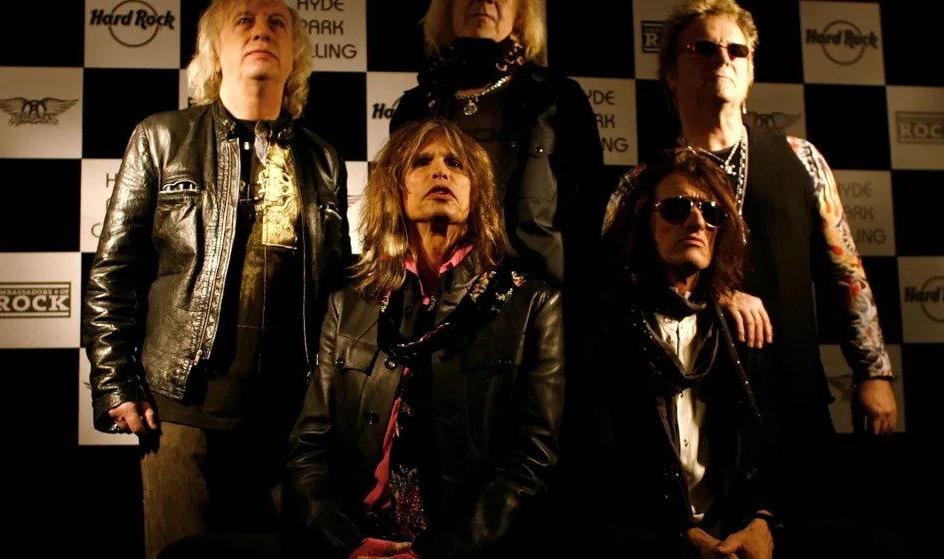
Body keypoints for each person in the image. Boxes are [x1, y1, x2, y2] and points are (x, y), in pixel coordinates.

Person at [602, 0, 897, 525]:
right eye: (703, 48)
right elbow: (612, 285)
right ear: (670, 72)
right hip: (690, 410)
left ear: (752, 69)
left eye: (736, 50)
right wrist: (715, 293)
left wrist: (872, 372)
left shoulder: (802, 160)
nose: (722, 58)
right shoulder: (642, 183)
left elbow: (845, 273)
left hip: (793, 399)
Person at [82, 1, 351, 557]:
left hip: (290, 419)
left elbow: (336, 292)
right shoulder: (161, 137)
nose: (262, 33)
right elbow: (113, 271)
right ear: (214, 50)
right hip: (181, 409)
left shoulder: (323, 159)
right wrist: (115, 380)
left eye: (277, 23)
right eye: (244, 21)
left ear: (296, 55)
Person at [594, 148, 904, 559]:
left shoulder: (739, 331)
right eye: (676, 208)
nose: (697, 221)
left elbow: (771, 453)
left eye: (710, 213)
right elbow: (592, 479)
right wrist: (684, 542)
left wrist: (762, 523)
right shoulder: (603, 329)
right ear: (643, 221)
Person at [281, 119, 564, 559]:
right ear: (393, 188)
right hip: (357, 544)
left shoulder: (531, 304)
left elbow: (534, 460)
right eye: (421, 162)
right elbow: (308, 448)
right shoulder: (349, 306)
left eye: (456, 164)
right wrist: (347, 544)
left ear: (477, 192)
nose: (440, 171)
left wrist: (435, 554)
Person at [388, 3, 606, 542]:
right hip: (437, 335)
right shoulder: (415, 105)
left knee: (533, 508)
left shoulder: (560, 99)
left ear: (522, 11)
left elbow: (588, 231)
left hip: (537, 339)